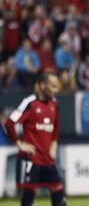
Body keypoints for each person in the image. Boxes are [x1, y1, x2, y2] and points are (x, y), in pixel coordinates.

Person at [4, 72, 65, 206]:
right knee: (29, 196)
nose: (57, 89)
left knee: (59, 193)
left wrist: (54, 144)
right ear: (42, 85)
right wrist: (19, 143)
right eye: (53, 86)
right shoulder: (30, 103)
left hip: (47, 159)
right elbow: (9, 122)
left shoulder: (54, 104)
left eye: (57, 86)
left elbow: (56, 128)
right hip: (31, 159)